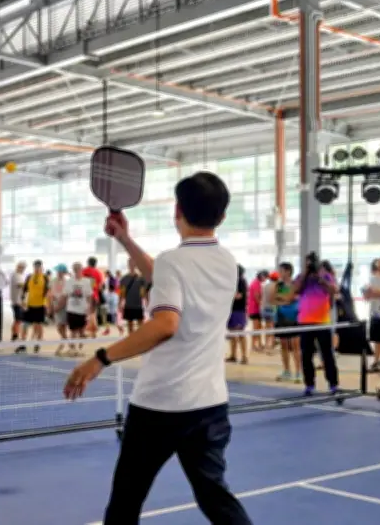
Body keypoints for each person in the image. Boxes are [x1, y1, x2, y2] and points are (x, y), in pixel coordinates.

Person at [63, 171, 252, 525]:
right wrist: (125, 240)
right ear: (222, 217)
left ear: (176, 210)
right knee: (216, 498)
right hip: (210, 405)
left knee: (126, 501)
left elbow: (166, 324)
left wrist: (100, 359)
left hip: (160, 406)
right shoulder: (227, 262)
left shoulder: (174, 262)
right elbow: (166, 276)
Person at [293, 251, 339, 395]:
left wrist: (321, 279)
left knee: (327, 354)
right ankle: (309, 384)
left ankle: (333, 383)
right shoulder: (301, 277)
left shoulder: (325, 276)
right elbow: (295, 290)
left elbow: (334, 290)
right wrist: (306, 274)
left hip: (322, 321)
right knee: (306, 355)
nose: (310, 265)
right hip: (305, 321)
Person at [275, 263, 301, 383]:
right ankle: (287, 371)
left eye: (281, 270)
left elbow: (293, 298)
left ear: (288, 271)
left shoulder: (295, 284)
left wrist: (286, 298)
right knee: (284, 345)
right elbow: (279, 299)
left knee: (295, 346)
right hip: (281, 317)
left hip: (294, 317)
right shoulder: (279, 284)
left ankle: (299, 372)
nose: (279, 272)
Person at [18, 260, 48, 353]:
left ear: (41, 267)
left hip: (40, 305)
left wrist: (48, 305)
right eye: (35, 266)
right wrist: (22, 301)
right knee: (25, 326)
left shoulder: (45, 278)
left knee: (39, 326)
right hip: (29, 305)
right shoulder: (29, 277)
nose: (37, 268)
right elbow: (24, 290)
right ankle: (22, 345)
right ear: (33, 267)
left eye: (39, 267)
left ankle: (37, 344)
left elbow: (48, 292)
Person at [66, 261, 94, 356]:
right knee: (73, 331)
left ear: (81, 270)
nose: (77, 271)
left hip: (82, 309)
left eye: (78, 269)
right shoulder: (69, 281)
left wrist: (89, 308)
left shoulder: (86, 281)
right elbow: (66, 294)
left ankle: (80, 347)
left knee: (82, 331)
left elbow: (89, 296)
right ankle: (74, 349)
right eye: (75, 269)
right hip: (72, 309)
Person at [227, 264, 249, 364]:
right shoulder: (233, 281)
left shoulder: (241, 281)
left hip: (238, 311)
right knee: (232, 334)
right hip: (232, 310)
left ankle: (244, 356)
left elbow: (239, 296)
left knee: (240, 333)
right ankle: (233, 355)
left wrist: (227, 294)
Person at [119, 259, 146, 333]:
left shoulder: (141, 278)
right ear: (128, 265)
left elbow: (144, 293)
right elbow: (122, 293)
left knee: (141, 325)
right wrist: (119, 303)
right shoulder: (124, 279)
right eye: (130, 263)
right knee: (130, 326)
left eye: (133, 263)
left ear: (136, 265)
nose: (132, 265)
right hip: (128, 304)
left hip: (138, 304)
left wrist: (147, 301)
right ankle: (131, 338)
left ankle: (141, 340)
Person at [49, 264, 70, 355]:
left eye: (60, 271)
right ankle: (68, 344)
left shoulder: (67, 282)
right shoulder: (52, 281)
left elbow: (66, 296)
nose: (59, 273)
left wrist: (60, 306)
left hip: (64, 306)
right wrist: (50, 306)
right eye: (58, 271)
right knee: (59, 327)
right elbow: (50, 294)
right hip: (55, 304)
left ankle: (64, 345)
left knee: (63, 326)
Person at [247, 271, 266, 352]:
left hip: (255, 308)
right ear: (262, 276)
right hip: (254, 309)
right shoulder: (256, 284)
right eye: (265, 277)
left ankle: (259, 344)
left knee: (258, 327)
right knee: (256, 328)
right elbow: (256, 297)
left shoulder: (256, 283)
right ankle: (253, 345)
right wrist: (262, 305)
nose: (265, 279)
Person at [9, 261, 26, 341]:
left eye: (23, 267)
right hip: (17, 302)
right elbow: (20, 285)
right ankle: (15, 335)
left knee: (17, 320)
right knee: (18, 320)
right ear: (18, 267)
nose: (22, 269)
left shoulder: (19, 275)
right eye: (21, 267)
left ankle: (14, 335)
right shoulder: (15, 275)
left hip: (18, 301)